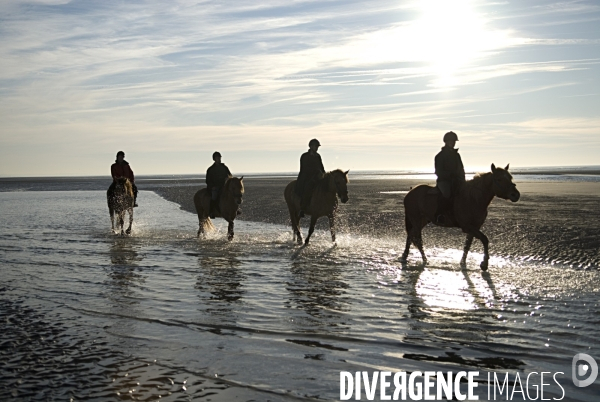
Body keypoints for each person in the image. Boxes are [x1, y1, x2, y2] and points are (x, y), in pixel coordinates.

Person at [434, 131, 465, 224]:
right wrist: (450, 175)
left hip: (457, 180)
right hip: (444, 181)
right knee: (447, 194)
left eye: (454, 141)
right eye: (451, 141)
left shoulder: (457, 155)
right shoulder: (440, 156)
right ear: (446, 142)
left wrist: (463, 179)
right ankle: (440, 214)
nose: (453, 143)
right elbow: (438, 171)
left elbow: (461, 168)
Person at [295, 139, 326, 218]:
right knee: (308, 188)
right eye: (315, 146)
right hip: (306, 177)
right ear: (311, 146)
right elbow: (304, 168)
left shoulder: (318, 156)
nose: (316, 148)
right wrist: (315, 173)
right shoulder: (304, 156)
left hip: (317, 176)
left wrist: (324, 174)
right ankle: (303, 208)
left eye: (317, 146)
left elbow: (321, 167)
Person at [206, 151, 232, 219]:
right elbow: (208, 180)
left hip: (224, 186)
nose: (219, 159)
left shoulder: (224, 167)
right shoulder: (210, 169)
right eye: (217, 158)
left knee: (233, 194)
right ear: (214, 159)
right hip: (215, 187)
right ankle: (211, 211)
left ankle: (236, 209)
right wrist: (212, 187)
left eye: (220, 158)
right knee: (214, 196)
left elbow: (230, 175)